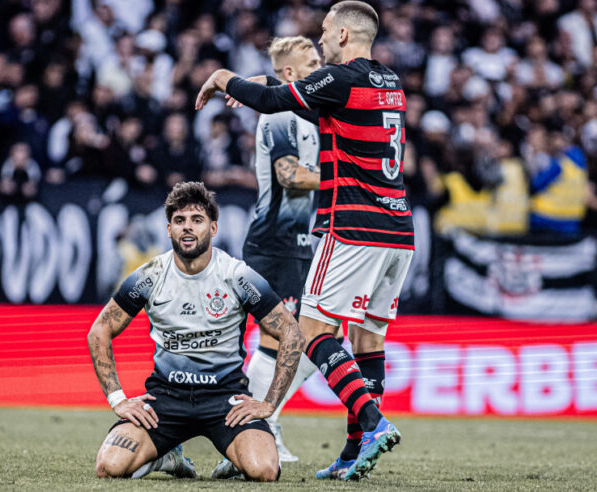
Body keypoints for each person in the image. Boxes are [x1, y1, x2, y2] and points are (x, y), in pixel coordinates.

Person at [196, 1, 413, 481]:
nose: (319, 37)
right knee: (367, 340)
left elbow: (279, 103)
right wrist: (271, 85)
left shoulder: (341, 79)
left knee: (311, 332)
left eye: (323, 30)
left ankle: (373, 425)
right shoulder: (391, 84)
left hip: (353, 227)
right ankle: (355, 450)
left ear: (341, 34)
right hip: (399, 230)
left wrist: (222, 77)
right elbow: (310, 107)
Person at [88, 181, 306, 482]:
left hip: (225, 400)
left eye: (197, 220)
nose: (187, 228)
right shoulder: (150, 276)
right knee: (109, 466)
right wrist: (118, 399)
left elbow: (292, 332)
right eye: (179, 221)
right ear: (169, 230)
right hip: (166, 398)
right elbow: (99, 330)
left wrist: (269, 402)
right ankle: (168, 456)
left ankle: (235, 460)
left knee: (264, 470)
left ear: (213, 228)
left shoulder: (236, 275)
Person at [216, 35, 323, 469]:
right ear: (292, 74)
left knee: (312, 341)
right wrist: (342, 177)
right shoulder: (279, 116)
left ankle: (263, 420)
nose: (321, 64)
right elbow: (289, 175)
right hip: (274, 243)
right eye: (312, 61)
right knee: (283, 339)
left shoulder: (305, 112)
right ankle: (261, 427)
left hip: (297, 243)